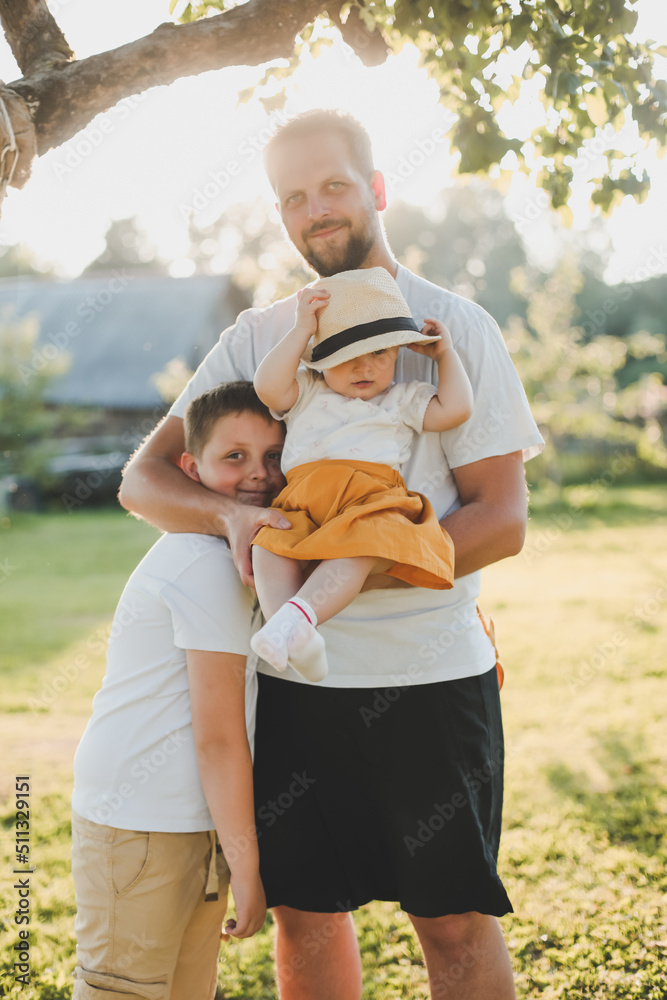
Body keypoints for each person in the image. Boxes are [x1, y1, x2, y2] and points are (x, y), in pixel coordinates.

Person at [119, 109, 544, 1000]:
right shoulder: (257, 338)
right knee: (306, 921)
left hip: (431, 678)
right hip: (296, 687)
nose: (316, 210)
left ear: (378, 190)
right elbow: (146, 482)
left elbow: (501, 519)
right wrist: (232, 521)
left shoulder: (449, 331)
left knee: (455, 925)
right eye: (293, 198)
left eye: (334, 186)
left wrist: (345, 573)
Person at [71, 382, 285, 1000]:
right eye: (235, 457)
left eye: (273, 456)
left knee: (187, 989)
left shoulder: (232, 554)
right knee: (126, 990)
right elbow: (217, 738)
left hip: (189, 818)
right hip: (140, 822)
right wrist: (247, 865)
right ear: (190, 468)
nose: (259, 475)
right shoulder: (204, 564)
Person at [250, 266, 473, 681]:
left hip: (369, 499)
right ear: (321, 363)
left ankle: (301, 616)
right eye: (347, 357)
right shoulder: (307, 390)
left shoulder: (401, 399)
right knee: (269, 545)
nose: (364, 367)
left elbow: (456, 409)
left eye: (379, 354)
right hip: (303, 498)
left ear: (398, 355)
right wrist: (301, 329)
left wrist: (446, 355)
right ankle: (288, 628)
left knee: (359, 549)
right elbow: (267, 387)